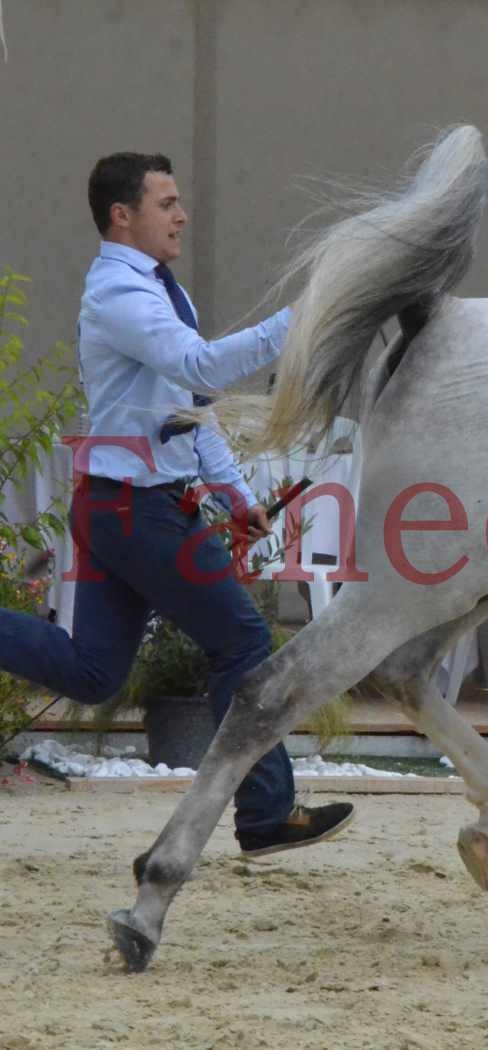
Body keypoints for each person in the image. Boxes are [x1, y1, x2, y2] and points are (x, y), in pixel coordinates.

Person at [0, 151, 353, 855]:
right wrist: (303, 315)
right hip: (135, 510)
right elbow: (199, 368)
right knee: (245, 643)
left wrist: (235, 496)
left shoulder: (159, 290)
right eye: (167, 203)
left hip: (123, 506)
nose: (182, 215)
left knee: (94, 675)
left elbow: (194, 408)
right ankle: (262, 813)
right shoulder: (119, 294)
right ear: (121, 216)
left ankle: (260, 812)